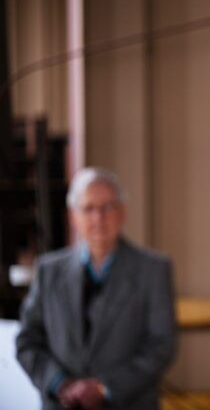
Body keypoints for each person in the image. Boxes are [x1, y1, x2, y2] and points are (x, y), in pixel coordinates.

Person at [16, 167, 176, 410]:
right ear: (73, 216)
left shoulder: (153, 270)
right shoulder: (48, 271)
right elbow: (27, 341)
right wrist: (61, 384)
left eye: (107, 207)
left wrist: (104, 388)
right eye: (88, 208)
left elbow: (161, 346)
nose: (98, 218)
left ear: (122, 211)